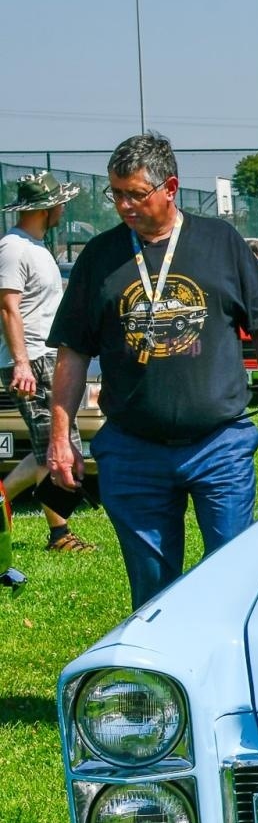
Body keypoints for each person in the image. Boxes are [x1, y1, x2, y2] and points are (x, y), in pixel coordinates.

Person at [46, 133, 258, 610]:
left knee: (233, 575)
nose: (124, 205)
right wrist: (61, 437)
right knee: (153, 596)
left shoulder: (220, 242)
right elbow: (73, 352)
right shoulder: (99, 257)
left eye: (135, 194)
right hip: (134, 449)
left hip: (217, 444)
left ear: (170, 188)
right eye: (116, 193)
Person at [0, 172, 93, 552]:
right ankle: (60, 535)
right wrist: (21, 363)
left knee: (49, 444)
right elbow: (8, 308)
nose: (64, 208)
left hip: (46, 357)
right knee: (53, 446)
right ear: (46, 208)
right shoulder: (13, 248)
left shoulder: (35, 246)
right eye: (60, 202)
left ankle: (2, 499)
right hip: (32, 362)